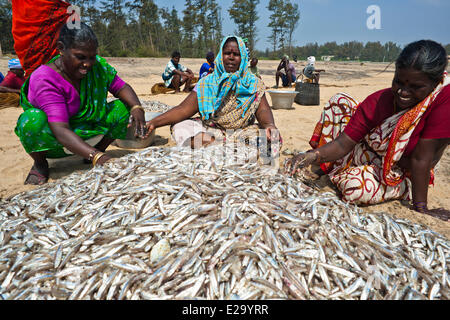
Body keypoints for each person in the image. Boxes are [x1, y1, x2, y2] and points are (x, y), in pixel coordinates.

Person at [285, 40, 450, 221]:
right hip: (369, 154)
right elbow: (343, 143)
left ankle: (349, 174)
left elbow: (421, 158)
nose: (403, 92)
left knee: (354, 188)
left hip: (405, 172)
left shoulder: (443, 100)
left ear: (435, 83)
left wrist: (422, 208)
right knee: (339, 102)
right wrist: (312, 156)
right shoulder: (380, 100)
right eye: (398, 82)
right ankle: (327, 167)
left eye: (415, 87)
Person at [14, 22, 147, 185]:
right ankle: (41, 164)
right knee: (31, 121)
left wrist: (137, 107)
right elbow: (60, 129)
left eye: (92, 57)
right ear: (61, 48)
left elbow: (121, 87)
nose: (88, 64)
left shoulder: (98, 66)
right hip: (56, 140)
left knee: (124, 107)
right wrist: (97, 157)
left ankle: (95, 152)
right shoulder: (46, 79)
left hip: (90, 131)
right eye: (81, 57)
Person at [146, 36, 281, 152]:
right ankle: (220, 147)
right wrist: (153, 123)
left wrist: (269, 125)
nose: (231, 57)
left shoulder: (254, 84)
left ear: (243, 58)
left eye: (237, 54)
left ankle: (222, 148)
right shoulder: (206, 83)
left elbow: (263, 110)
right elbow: (182, 110)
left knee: (273, 139)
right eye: (227, 53)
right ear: (220, 56)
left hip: (243, 132)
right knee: (180, 127)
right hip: (211, 131)